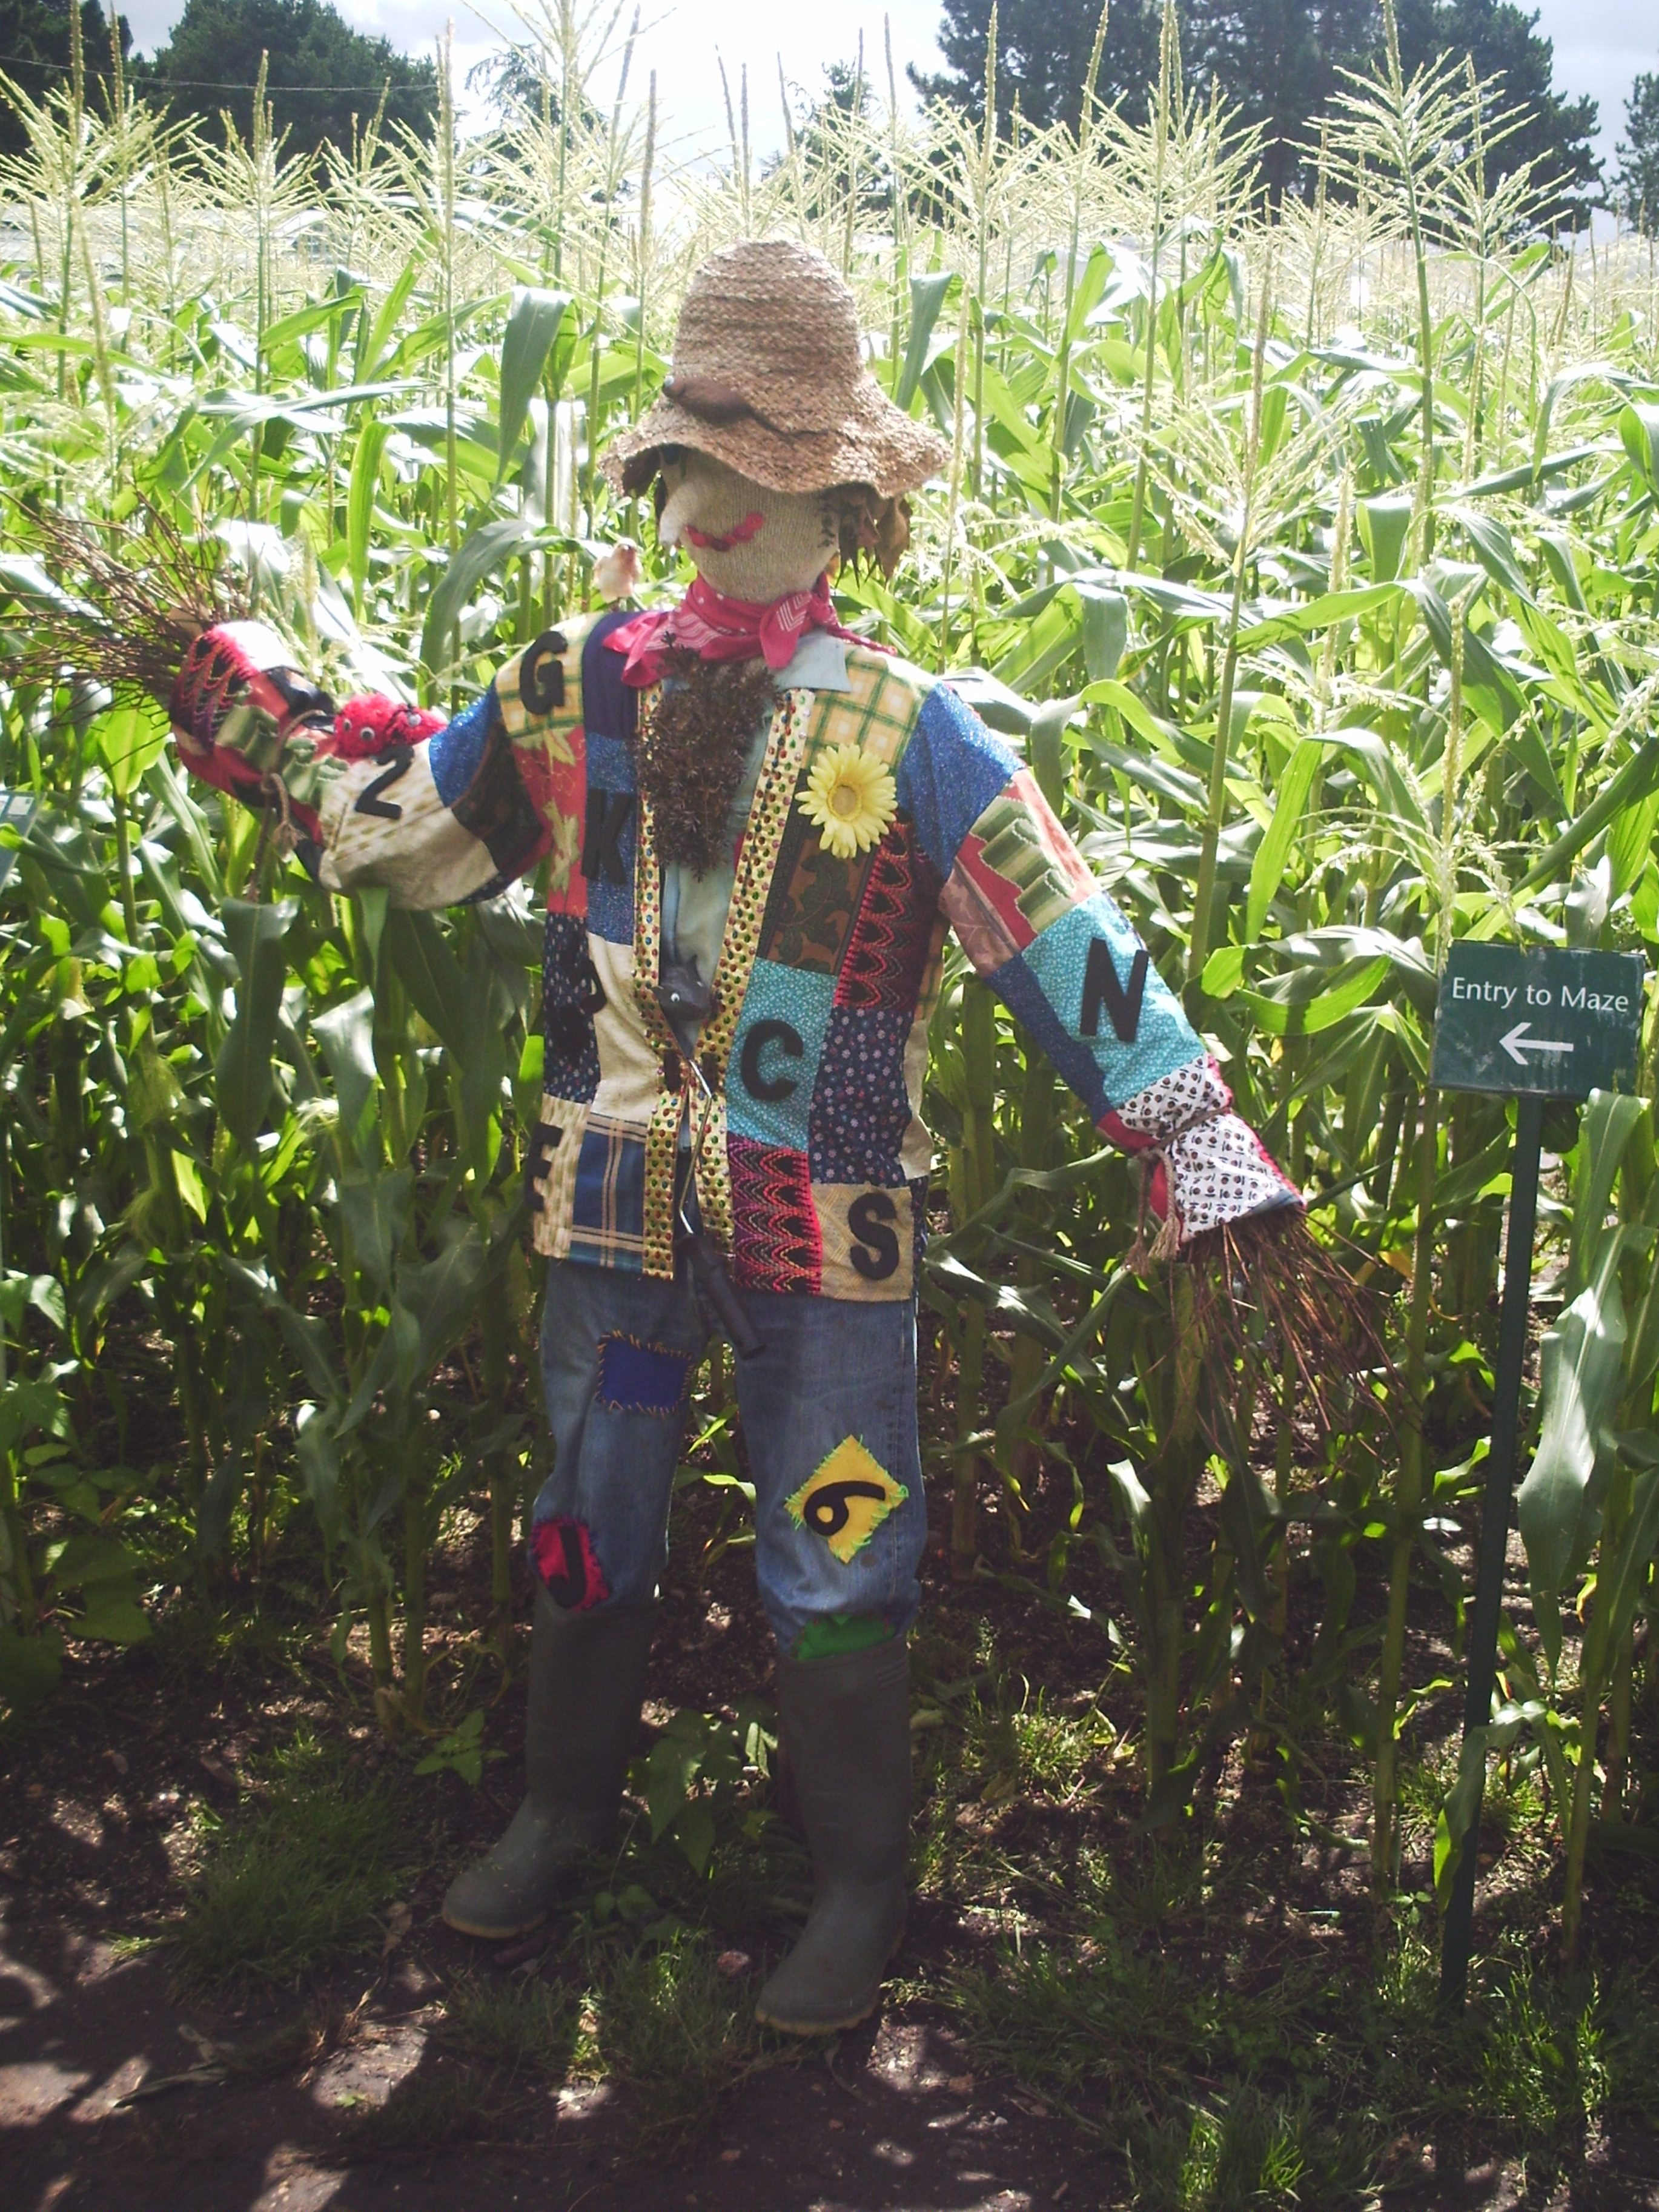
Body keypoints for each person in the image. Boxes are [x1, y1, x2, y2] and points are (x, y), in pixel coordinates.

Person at [167, 238, 1299, 2036]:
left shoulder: (910, 733)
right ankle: (559, 1815)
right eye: (691, 462)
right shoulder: (572, 689)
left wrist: (1189, 1129)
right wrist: (258, 712)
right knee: (588, 1504)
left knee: (841, 1530)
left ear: (843, 505)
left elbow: (1052, 928)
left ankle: (856, 1882)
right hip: (612, 1210)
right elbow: (407, 832)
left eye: (756, 468)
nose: (710, 505)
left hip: (825, 1236)